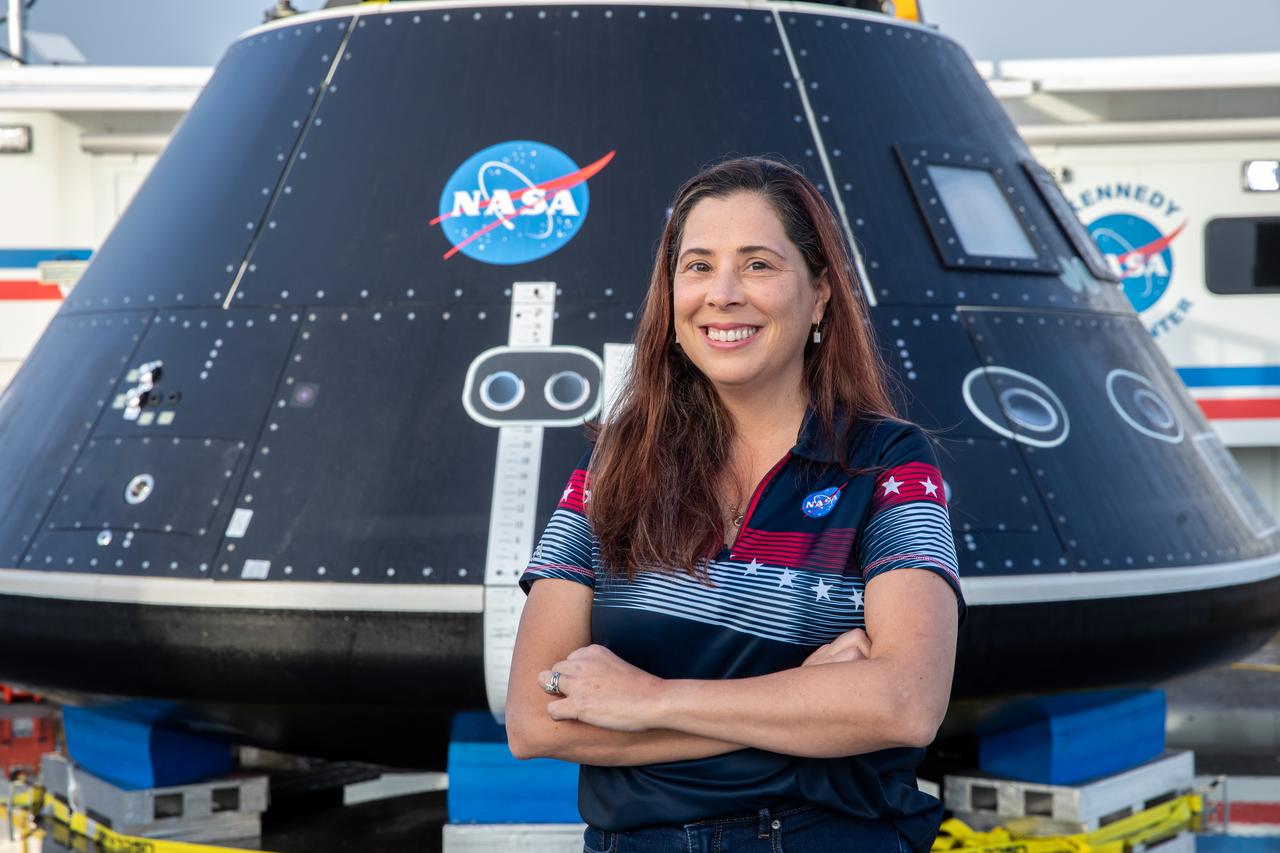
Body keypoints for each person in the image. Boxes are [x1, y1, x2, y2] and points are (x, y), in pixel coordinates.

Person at [506, 156, 965, 852]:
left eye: (757, 264)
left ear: (819, 295)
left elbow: (904, 705)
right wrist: (804, 703)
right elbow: (535, 719)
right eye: (697, 266)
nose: (722, 294)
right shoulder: (613, 464)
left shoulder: (887, 462)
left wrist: (649, 702)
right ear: (671, 296)